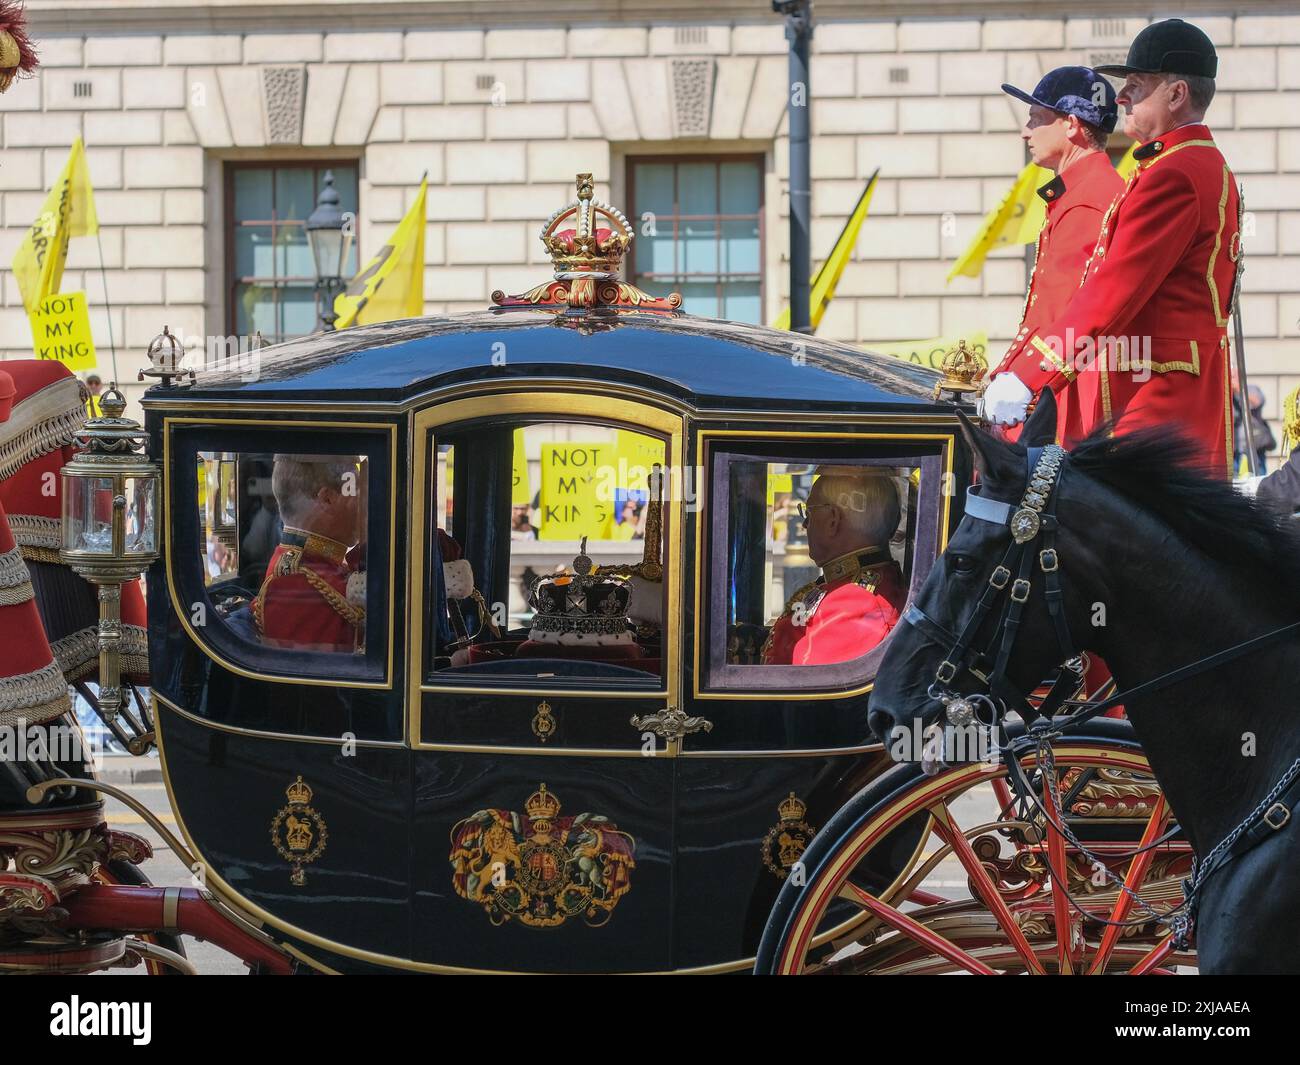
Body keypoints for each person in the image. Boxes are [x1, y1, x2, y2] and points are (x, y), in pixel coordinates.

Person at [986, 19, 1239, 477]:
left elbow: (1111, 290)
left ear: (1177, 94)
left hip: (1151, 408)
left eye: (1136, 86)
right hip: (1167, 403)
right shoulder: (1187, 163)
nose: (1121, 97)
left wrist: (1027, 378)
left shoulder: (1174, 174)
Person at [986, 66, 1123, 446]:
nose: (1025, 130)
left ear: (1071, 125)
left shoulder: (1090, 200)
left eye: (1036, 118)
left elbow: (1060, 315)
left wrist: (1019, 378)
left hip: (1063, 401)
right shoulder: (1082, 191)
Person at [762, 467, 906, 666]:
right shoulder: (855, 590)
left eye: (809, 512)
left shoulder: (855, 606)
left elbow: (799, 689)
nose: (805, 524)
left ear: (833, 519)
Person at [253, 455, 364, 653]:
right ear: (327, 498)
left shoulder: (318, 566)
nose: (361, 504)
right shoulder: (296, 582)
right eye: (356, 492)